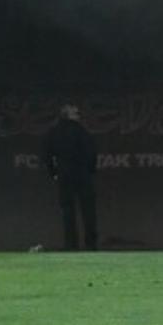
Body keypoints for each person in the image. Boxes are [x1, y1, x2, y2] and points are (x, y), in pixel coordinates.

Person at [44, 102, 101, 253]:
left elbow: (47, 155)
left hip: (64, 175)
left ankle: (71, 244)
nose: (79, 116)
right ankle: (91, 243)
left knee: (68, 211)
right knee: (88, 210)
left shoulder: (54, 132)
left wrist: (54, 173)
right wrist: (90, 170)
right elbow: (92, 152)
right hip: (83, 174)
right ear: (68, 116)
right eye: (76, 113)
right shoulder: (82, 131)